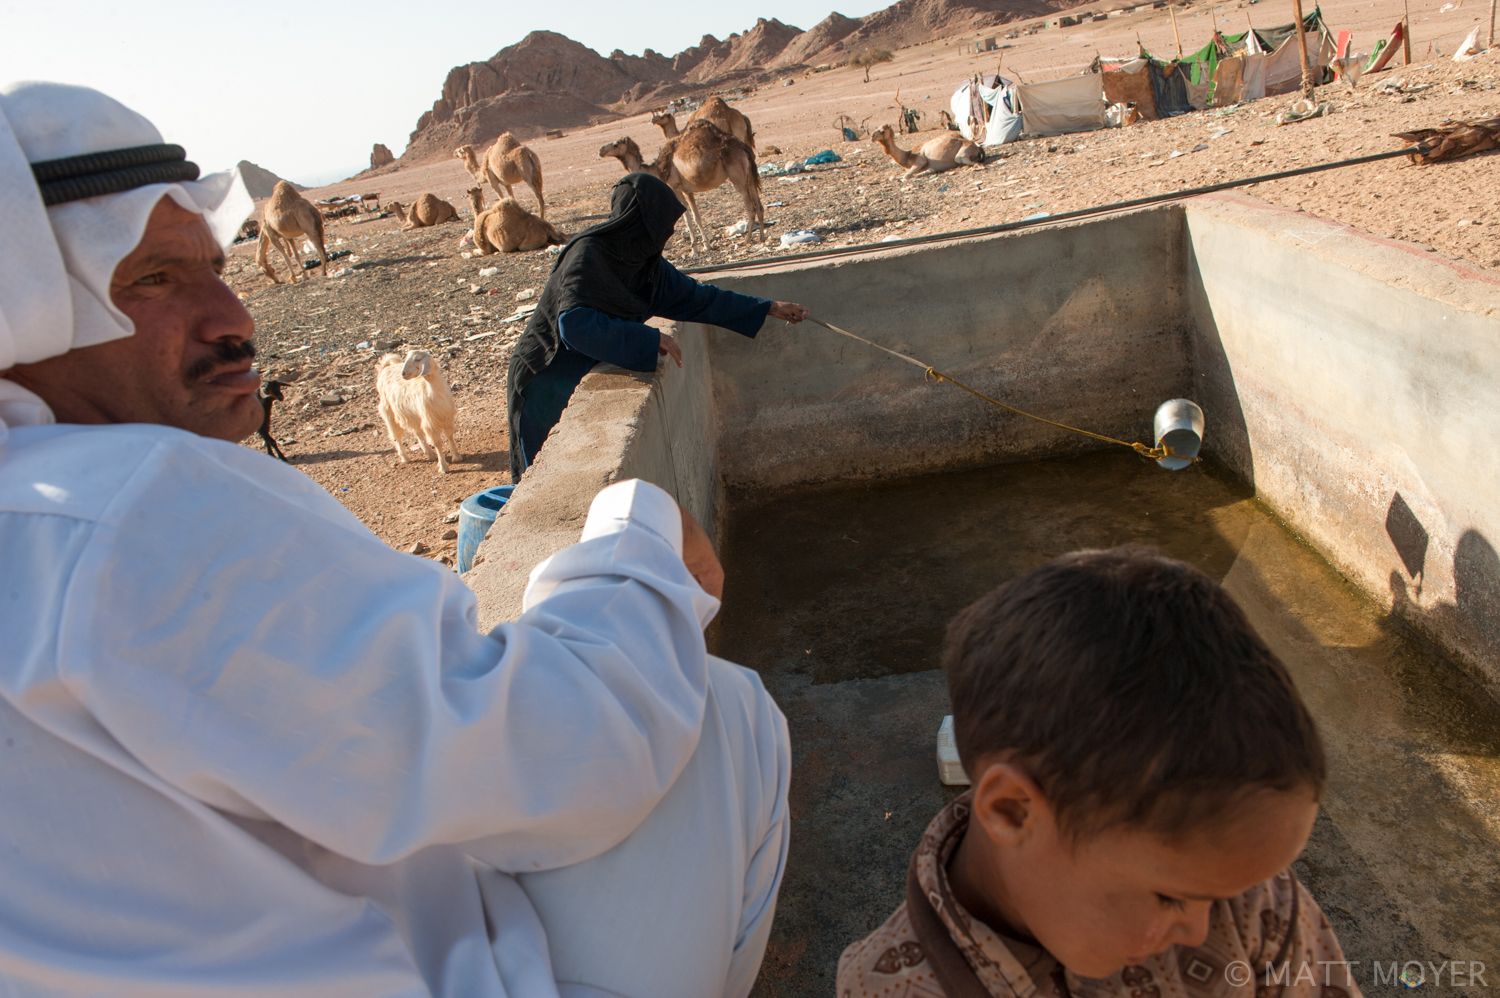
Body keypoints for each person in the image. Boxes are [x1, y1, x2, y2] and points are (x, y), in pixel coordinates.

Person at [0, 81, 790, 998]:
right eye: (156, 279)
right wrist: (638, 548)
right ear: (22, 309)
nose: (234, 319)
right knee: (723, 714)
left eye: (215, 268)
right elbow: (561, 755)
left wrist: (759, 312)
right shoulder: (124, 515)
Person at [838, 547, 1362, 998]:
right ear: (1013, 810)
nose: (1203, 928)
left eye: (1223, 896)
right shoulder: (885, 986)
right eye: (1169, 898)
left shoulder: (1251, 897)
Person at [507, 172, 809, 481]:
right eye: (660, 226)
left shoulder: (647, 267)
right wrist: (648, 339)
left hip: (576, 372)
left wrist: (770, 307)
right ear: (638, 222)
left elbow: (701, 299)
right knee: (544, 476)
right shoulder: (588, 256)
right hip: (544, 378)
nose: (666, 236)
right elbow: (574, 324)